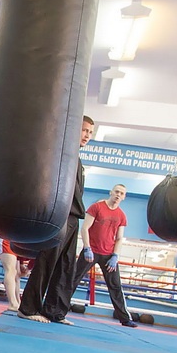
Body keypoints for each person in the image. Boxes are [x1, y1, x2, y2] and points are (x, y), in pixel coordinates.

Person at [17, 116, 94, 325]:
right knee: (47, 261)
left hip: (73, 217)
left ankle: (55, 311)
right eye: (84, 130)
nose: (87, 135)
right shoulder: (63, 155)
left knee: (66, 266)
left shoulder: (77, 159)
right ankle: (28, 307)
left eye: (90, 133)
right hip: (59, 215)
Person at [73, 184, 137, 327]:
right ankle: (57, 309)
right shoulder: (97, 207)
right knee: (73, 279)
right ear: (111, 192)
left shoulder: (121, 215)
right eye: (116, 192)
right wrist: (87, 248)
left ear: (124, 197)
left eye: (121, 193)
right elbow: (85, 228)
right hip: (91, 251)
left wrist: (115, 256)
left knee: (115, 286)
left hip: (108, 255)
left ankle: (125, 319)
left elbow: (119, 238)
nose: (118, 195)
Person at [0, 239, 33, 312]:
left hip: (18, 240)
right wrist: (28, 268)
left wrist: (26, 267)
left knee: (16, 274)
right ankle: (13, 303)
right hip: (7, 237)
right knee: (11, 270)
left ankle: (17, 302)